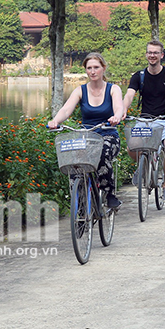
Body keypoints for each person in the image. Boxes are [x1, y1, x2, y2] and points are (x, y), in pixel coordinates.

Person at [47, 52, 124, 210]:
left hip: (108, 134)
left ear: (103, 68)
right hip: (87, 136)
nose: (93, 71)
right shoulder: (80, 90)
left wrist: (116, 116)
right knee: (75, 163)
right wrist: (55, 120)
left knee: (102, 154)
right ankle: (80, 206)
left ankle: (109, 194)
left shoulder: (113, 89)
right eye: (89, 68)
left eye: (96, 67)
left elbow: (118, 106)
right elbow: (67, 109)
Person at [123, 39, 165, 202]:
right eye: (150, 52)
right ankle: (143, 166)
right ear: (146, 54)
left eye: (156, 52)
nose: (152, 55)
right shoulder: (138, 76)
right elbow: (129, 95)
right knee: (131, 148)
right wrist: (122, 110)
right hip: (144, 121)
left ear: (161, 55)